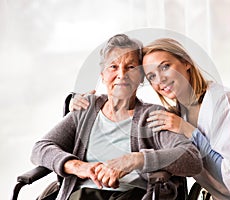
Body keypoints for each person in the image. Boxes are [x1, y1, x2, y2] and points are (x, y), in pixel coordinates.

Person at [72, 37, 230, 199]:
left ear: (186, 63)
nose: (160, 79)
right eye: (151, 76)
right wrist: (78, 102)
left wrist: (188, 131)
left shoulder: (226, 102)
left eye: (166, 67)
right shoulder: (175, 113)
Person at [30, 34, 202, 200]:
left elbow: (192, 159)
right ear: (102, 75)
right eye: (113, 66)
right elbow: (41, 148)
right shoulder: (86, 108)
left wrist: (136, 159)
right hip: (82, 194)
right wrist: (78, 167)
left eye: (131, 67)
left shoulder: (152, 116)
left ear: (141, 77)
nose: (122, 74)